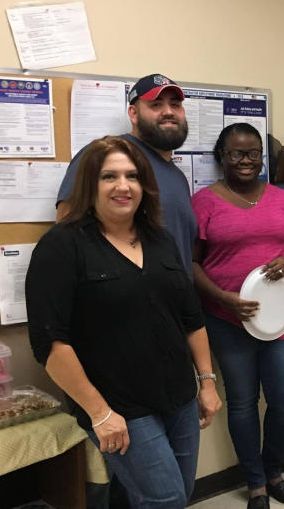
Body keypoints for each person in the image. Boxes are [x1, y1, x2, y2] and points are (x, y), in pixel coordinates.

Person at [26, 136, 222, 508]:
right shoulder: (62, 246)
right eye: (108, 176)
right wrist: (99, 414)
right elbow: (49, 343)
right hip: (119, 406)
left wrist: (207, 382)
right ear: (89, 184)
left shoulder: (159, 239)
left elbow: (190, 316)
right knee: (164, 500)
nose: (122, 186)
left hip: (179, 397)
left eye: (132, 176)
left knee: (179, 494)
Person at [191, 124, 284, 508]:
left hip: (279, 318)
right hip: (227, 319)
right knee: (242, 403)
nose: (246, 161)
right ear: (221, 157)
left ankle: (275, 472)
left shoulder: (281, 200)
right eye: (236, 154)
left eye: (253, 153)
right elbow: (190, 264)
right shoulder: (204, 203)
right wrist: (222, 299)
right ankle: (256, 483)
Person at [57, 73, 196, 275]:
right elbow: (65, 234)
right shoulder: (104, 156)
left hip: (175, 301)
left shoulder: (178, 177)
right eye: (156, 105)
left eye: (175, 105)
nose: (168, 112)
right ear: (133, 113)